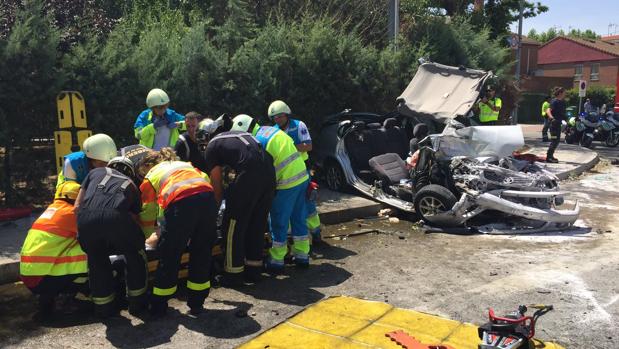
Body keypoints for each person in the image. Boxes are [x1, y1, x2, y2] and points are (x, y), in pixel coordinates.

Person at [137, 148, 217, 316]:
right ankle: (197, 302)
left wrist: (144, 239)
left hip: (181, 203)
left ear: (149, 165)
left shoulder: (152, 175)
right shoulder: (187, 165)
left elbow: (147, 213)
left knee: (170, 253)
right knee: (202, 251)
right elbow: (205, 180)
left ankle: (159, 305)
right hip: (207, 199)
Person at [196, 117, 276, 285]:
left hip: (250, 175)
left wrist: (213, 213)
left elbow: (216, 186)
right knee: (256, 224)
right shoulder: (237, 136)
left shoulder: (212, 146)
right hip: (269, 175)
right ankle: (254, 271)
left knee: (232, 225)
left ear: (209, 134)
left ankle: (233, 275)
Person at [75, 151, 149, 318]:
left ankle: (104, 308)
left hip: (85, 220)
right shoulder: (131, 185)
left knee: (96, 259)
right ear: (130, 172)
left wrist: (85, 230)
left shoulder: (93, 173)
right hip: (117, 218)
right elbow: (133, 219)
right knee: (135, 253)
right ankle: (137, 303)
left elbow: (77, 206)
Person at [231, 114, 310, 270]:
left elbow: (263, 171)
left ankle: (276, 259)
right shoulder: (270, 130)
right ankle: (302, 256)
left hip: (287, 182)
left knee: (278, 221)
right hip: (301, 177)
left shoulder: (258, 141)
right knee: (299, 217)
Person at [20, 181, 90, 321]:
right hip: (42, 277)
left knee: (75, 246)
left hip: (30, 275)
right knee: (91, 251)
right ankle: (63, 299)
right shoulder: (70, 213)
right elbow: (95, 233)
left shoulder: (52, 210)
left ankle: (50, 296)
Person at [268, 100, 321, 241]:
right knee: (293, 207)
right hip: (285, 173)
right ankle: (296, 237)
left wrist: (290, 149)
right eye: (275, 117)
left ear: (287, 114)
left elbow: (308, 146)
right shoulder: (274, 131)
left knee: (308, 202)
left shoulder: (298, 125)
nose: (277, 119)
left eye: (280, 116)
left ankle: (316, 231)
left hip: (302, 168)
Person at [546, 87, 567, 163]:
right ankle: (549, 157)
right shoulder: (554, 101)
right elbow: (548, 110)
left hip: (558, 124)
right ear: (560, 93)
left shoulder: (563, 102)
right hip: (553, 124)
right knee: (554, 140)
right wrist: (552, 118)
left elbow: (562, 113)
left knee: (557, 140)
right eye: (564, 92)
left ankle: (551, 156)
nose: (565, 94)